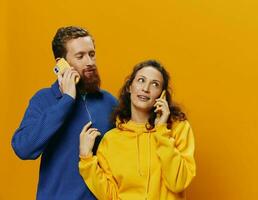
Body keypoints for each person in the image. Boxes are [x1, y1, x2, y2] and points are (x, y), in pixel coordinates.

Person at [11, 26, 118, 200]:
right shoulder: (44, 99)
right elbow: (24, 148)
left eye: (92, 54)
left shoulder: (109, 102)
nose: (90, 62)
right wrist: (67, 99)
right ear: (62, 63)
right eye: (80, 56)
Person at [79, 60, 196, 200]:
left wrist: (161, 131)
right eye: (141, 80)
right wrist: (86, 159)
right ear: (130, 87)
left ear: (162, 95)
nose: (146, 88)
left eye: (155, 84)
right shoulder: (111, 140)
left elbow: (178, 182)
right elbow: (110, 196)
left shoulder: (178, 128)